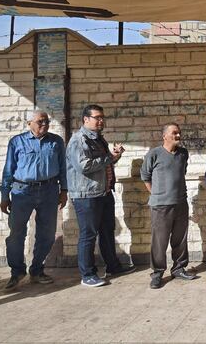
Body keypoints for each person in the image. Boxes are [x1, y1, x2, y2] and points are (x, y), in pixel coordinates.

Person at [67, 104, 134, 287]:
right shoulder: (79, 140)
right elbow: (85, 166)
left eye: (102, 117)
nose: (101, 120)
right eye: (97, 117)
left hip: (103, 192)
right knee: (88, 235)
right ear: (85, 120)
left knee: (107, 231)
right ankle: (87, 274)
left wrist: (115, 156)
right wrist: (109, 157)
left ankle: (113, 266)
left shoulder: (98, 139)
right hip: (87, 195)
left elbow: (104, 163)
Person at [0, 110, 68, 289]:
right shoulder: (17, 142)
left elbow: (63, 168)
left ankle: (37, 270)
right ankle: (17, 271)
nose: (44, 124)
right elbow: (8, 170)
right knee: (16, 234)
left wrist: (64, 190)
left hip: (49, 191)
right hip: (22, 192)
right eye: (40, 122)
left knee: (46, 234)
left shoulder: (56, 141)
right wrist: (5, 195)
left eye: (46, 121)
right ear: (29, 123)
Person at [141, 123, 197, 288]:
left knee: (180, 239)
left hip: (180, 203)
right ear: (164, 136)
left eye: (179, 133)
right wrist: (157, 194)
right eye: (174, 133)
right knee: (160, 241)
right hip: (160, 206)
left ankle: (179, 268)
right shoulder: (154, 154)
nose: (178, 135)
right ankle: (157, 273)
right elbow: (145, 176)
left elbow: (182, 172)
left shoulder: (183, 154)